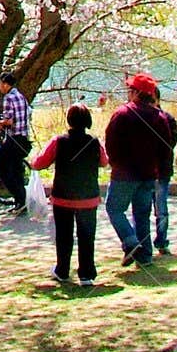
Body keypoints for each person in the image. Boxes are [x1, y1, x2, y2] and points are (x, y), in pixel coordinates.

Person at [31, 104, 108, 284]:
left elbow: (39, 163)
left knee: (64, 236)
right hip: (88, 199)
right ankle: (87, 273)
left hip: (63, 198)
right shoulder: (95, 142)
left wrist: (34, 160)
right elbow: (104, 162)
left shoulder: (58, 141)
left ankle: (62, 270)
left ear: (69, 120)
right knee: (87, 236)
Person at [103, 73, 169, 267]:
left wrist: (115, 163)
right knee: (142, 215)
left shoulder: (122, 114)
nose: (128, 93)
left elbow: (111, 143)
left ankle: (130, 241)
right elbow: (165, 148)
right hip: (148, 174)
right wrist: (159, 170)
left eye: (131, 90)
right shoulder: (160, 118)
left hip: (124, 174)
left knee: (114, 208)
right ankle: (145, 255)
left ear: (137, 93)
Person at [0, 71, 33, 213]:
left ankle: (19, 198)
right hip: (23, 138)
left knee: (4, 171)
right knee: (16, 171)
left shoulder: (8, 98)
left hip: (12, 139)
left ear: (5, 84)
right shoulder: (21, 96)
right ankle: (20, 202)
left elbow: (9, 121)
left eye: (0, 83)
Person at [150, 85, 177, 255]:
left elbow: (170, 143)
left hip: (161, 172)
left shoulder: (167, 119)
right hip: (145, 172)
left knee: (161, 209)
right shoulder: (141, 117)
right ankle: (143, 243)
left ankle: (161, 240)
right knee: (143, 208)